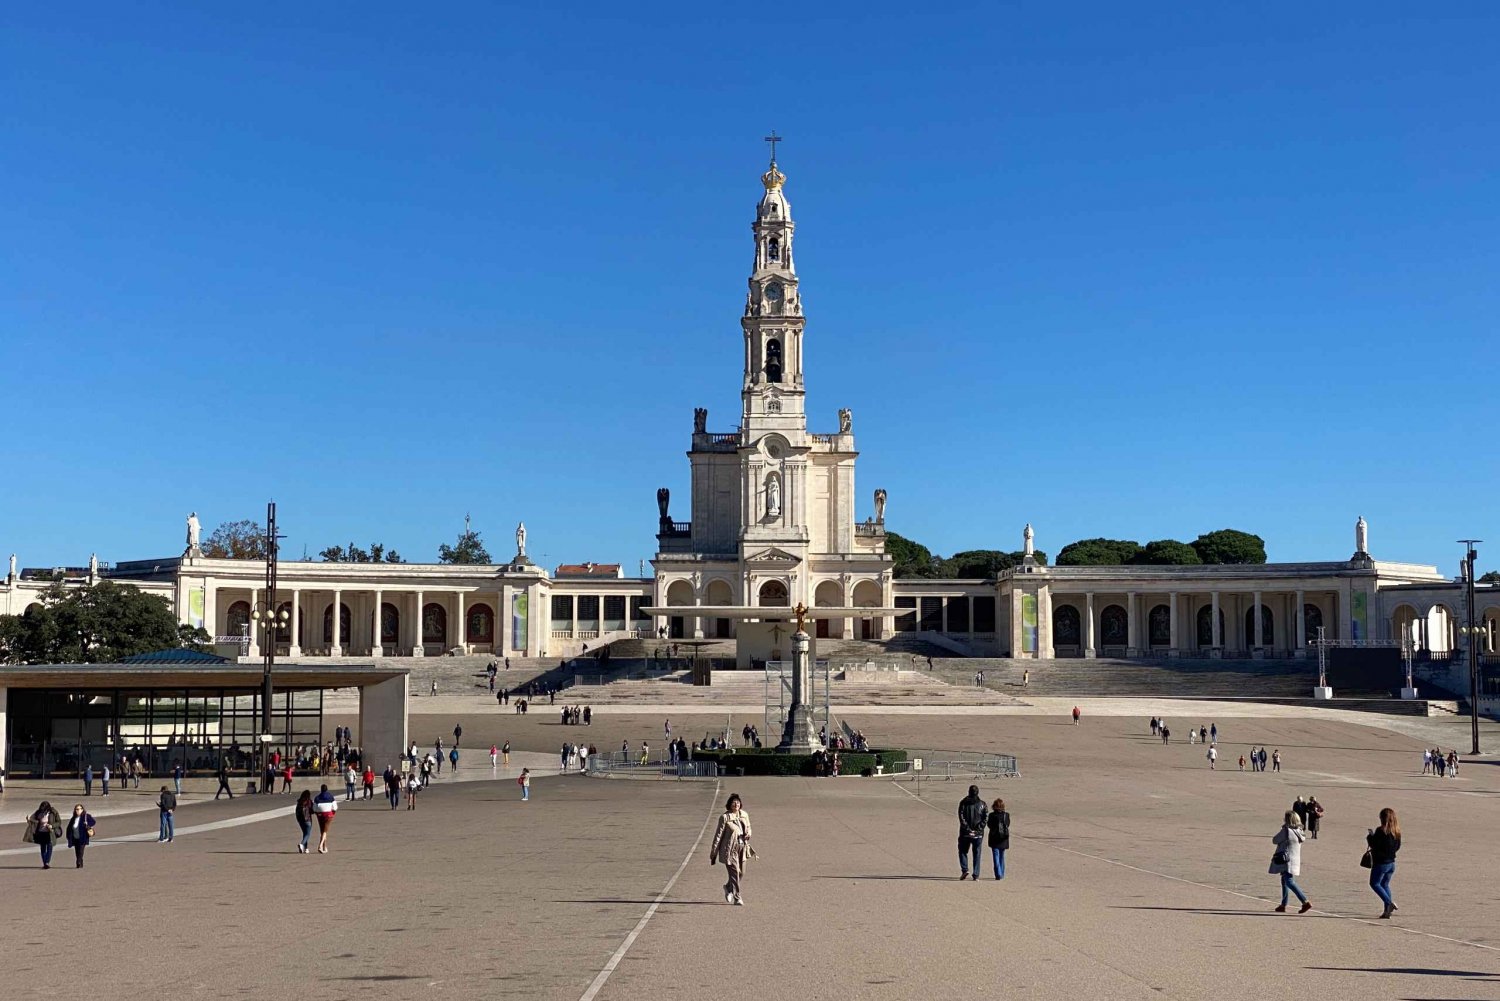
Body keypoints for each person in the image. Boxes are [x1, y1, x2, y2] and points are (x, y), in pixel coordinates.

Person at [708, 792, 753, 905]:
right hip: (730, 850)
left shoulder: (744, 815)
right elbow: (718, 835)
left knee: (741, 873)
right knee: (735, 873)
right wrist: (713, 853)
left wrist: (749, 833)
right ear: (729, 805)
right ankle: (737, 897)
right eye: (733, 802)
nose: (736, 804)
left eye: (737, 802)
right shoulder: (724, 817)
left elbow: (749, 827)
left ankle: (728, 887)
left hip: (742, 848)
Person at [1270, 810, 1311, 913]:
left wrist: (1283, 829)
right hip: (1294, 858)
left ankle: (1305, 902)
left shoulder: (1286, 830)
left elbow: (1275, 840)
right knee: (1284, 880)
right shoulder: (1300, 831)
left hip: (1285, 858)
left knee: (1289, 881)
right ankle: (1283, 904)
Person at [1366, 807, 1401, 918]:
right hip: (1391, 863)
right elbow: (1398, 846)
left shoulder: (1381, 831)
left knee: (1374, 883)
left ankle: (1389, 903)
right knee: (1385, 885)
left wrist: (1370, 837)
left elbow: (1374, 845)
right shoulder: (1396, 831)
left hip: (1381, 863)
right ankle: (1387, 911)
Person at [957, 785, 987, 881]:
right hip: (978, 834)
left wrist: (967, 828)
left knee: (962, 851)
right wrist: (979, 828)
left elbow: (961, 817)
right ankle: (976, 874)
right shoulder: (982, 804)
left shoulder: (963, 803)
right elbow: (985, 818)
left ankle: (965, 869)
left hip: (965, 833)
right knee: (977, 853)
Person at [27, 801, 62, 869]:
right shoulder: (38, 812)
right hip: (41, 832)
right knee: (43, 848)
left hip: (50, 833)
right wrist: (29, 819)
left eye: (44, 809)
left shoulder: (53, 812)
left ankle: (47, 862)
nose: (43, 811)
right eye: (41, 809)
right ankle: (45, 862)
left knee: (49, 847)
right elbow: (33, 819)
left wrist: (52, 826)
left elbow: (59, 822)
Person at [986, 798, 1011, 880]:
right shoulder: (1006, 815)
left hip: (994, 838)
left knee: (995, 856)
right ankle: (1002, 873)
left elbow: (989, 825)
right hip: (1003, 838)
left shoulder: (992, 815)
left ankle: (998, 873)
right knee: (1001, 856)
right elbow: (1008, 824)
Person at [65, 803, 96, 868]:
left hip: (83, 836)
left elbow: (93, 822)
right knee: (77, 851)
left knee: (81, 850)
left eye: (79, 809)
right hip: (75, 837)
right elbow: (69, 827)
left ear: (82, 809)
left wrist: (87, 824)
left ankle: (78, 862)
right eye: (76, 809)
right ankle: (80, 863)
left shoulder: (86, 816)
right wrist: (68, 836)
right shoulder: (73, 818)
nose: (77, 811)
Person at [312, 784, 338, 853]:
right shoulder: (331, 797)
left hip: (320, 815)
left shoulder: (317, 798)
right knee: (325, 831)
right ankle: (320, 846)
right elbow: (335, 808)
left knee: (322, 831)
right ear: (327, 789)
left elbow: (314, 808)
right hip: (328, 815)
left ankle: (325, 847)